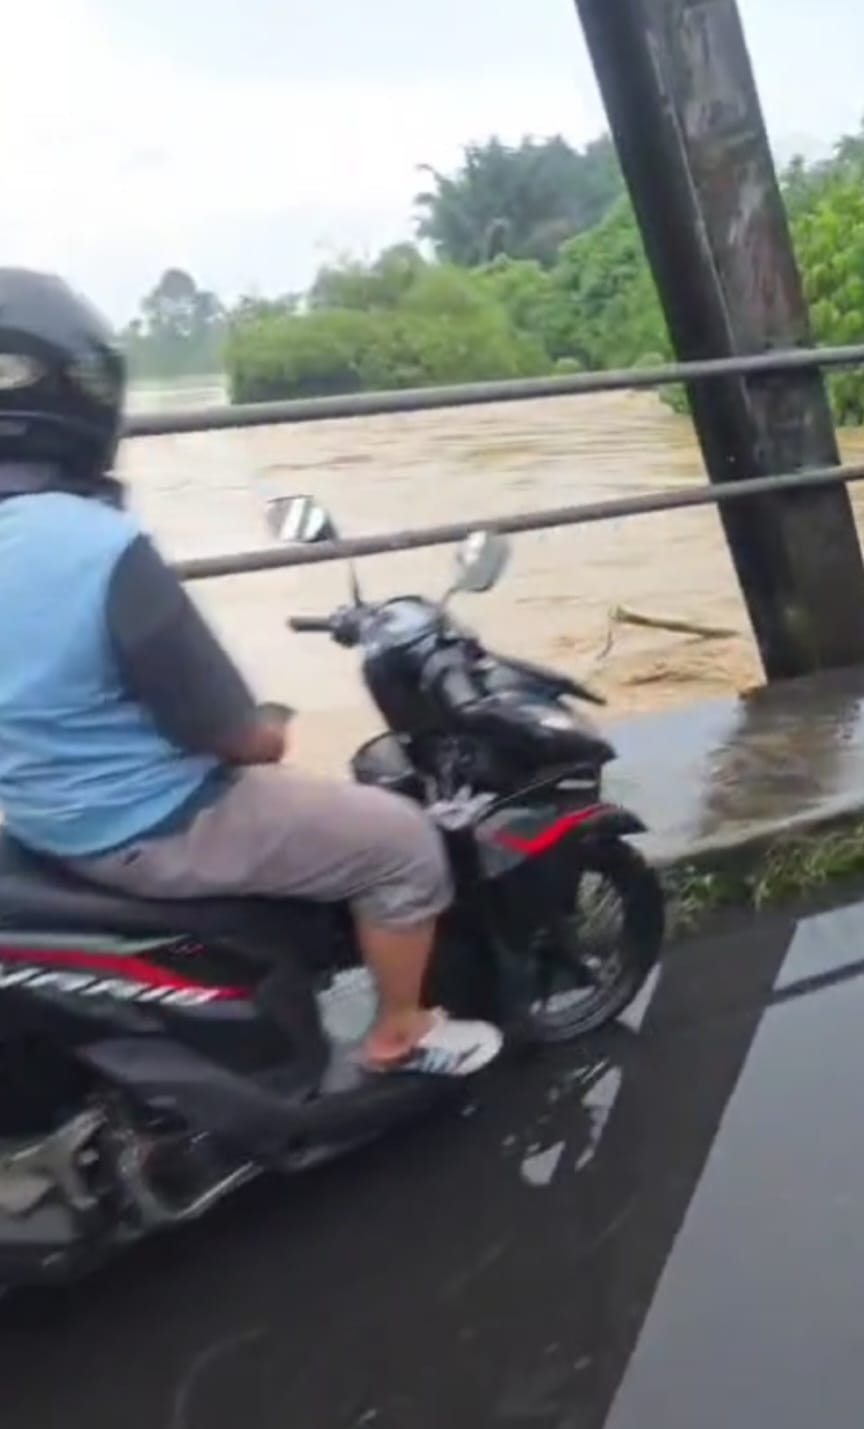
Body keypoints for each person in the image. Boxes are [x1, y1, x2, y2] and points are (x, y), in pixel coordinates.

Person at [0, 268, 502, 1077]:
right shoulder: (100, 547)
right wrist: (269, 727)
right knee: (402, 842)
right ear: (80, 398)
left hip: (40, 816)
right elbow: (232, 735)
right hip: (149, 824)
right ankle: (401, 1028)